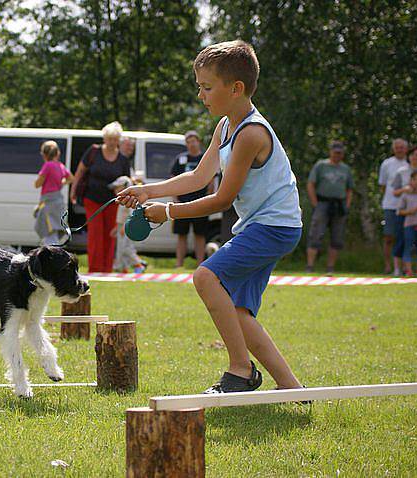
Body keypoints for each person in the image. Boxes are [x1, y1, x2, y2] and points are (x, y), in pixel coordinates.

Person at [118, 40, 304, 394]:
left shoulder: (251, 133)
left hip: (274, 227)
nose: (201, 95)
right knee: (238, 311)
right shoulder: (225, 127)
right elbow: (197, 178)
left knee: (205, 277)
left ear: (235, 89)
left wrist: (168, 211)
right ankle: (291, 388)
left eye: (206, 87)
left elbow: (221, 198)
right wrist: (148, 191)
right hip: (263, 226)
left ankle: (241, 370)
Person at [70, 121, 131, 273]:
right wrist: (73, 189)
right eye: (109, 138)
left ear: (119, 140)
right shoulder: (93, 151)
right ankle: (95, 269)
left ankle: (107, 269)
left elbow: (127, 183)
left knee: (110, 235)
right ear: (104, 138)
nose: (112, 142)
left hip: (113, 201)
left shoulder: (123, 160)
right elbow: (80, 171)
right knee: (95, 234)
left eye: (115, 139)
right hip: (92, 199)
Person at [305, 140, 354, 274]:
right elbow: (311, 184)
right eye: (335, 152)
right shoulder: (321, 165)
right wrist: (315, 203)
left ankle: (330, 268)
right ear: (330, 152)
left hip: (339, 204)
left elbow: (350, 189)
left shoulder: (345, 169)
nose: (337, 155)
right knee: (315, 233)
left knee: (337, 236)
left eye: (340, 153)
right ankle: (310, 266)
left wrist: (347, 205)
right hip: (322, 203)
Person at [171, 130, 214, 268]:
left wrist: (209, 198)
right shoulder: (180, 159)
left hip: (200, 203)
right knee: (181, 235)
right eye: (188, 142)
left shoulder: (204, 158)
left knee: (200, 235)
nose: (191, 144)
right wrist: (175, 199)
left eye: (193, 141)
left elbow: (211, 180)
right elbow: (173, 179)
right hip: (182, 203)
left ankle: (200, 264)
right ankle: (179, 265)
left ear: (199, 141)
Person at [33, 140, 73, 245]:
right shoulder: (60, 166)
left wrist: (39, 181)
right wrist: (61, 183)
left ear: (44, 155)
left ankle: (50, 255)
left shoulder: (47, 165)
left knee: (48, 231)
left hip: (48, 201)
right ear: (57, 153)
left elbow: (38, 184)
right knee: (54, 230)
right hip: (58, 201)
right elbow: (71, 178)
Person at [378, 138, 409, 275]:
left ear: (406, 149)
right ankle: (388, 266)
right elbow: (383, 186)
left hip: (408, 207)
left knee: (405, 237)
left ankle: (404, 266)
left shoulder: (411, 164)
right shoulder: (387, 163)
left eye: (402, 147)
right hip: (390, 205)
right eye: (397, 147)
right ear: (393, 149)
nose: (399, 149)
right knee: (389, 237)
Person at [389, 145, 417, 275]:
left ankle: (414, 269)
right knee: (401, 240)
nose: (416, 157)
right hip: (403, 210)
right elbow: (394, 191)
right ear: (409, 156)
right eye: (414, 154)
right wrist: (405, 190)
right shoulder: (401, 171)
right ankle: (398, 268)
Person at [110, 175, 146, 273]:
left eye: (118, 187)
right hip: (122, 226)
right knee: (121, 248)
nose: (115, 189)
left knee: (126, 248)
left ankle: (139, 263)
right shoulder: (122, 199)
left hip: (127, 227)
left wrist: (124, 227)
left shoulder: (130, 199)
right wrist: (117, 228)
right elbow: (121, 216)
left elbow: (131, 215)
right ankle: (122, 268)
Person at [396, 172, 417, 276]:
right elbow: (399, 211)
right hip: (409, 224)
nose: (416, 182)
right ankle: (408, 270)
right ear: (411, 181)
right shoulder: (405, 195)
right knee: (408, 246)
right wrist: (410, 211)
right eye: (415, 180)